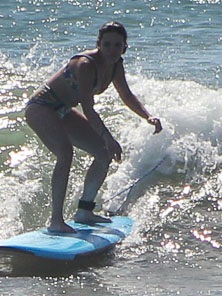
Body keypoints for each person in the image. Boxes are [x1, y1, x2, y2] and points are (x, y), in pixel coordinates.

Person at [24, 22, 162, 233]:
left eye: (117, 45)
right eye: (106, 45)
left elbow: (126, 95)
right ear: (98, 44)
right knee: (65, 154)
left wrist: (148, 116)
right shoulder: (85, 65)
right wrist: (108, 136)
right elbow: (88, 108)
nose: (112, 50)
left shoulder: (116, 65)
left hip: (63, 110)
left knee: (103, 153)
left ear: (125, 46)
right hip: (42, 107)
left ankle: (85, 211)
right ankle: (56, 221)